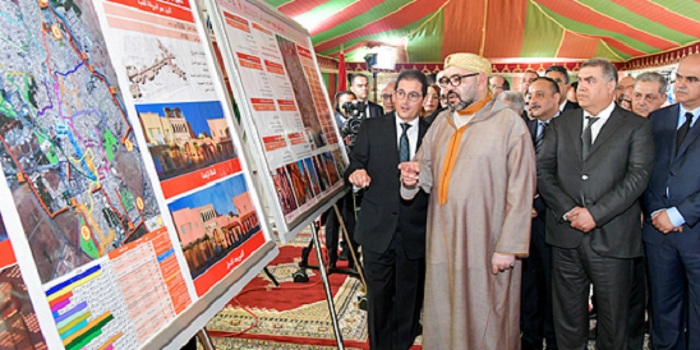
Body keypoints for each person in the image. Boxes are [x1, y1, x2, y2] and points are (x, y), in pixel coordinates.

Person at [400, 52, 536, 349]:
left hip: (487, 243)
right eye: (445, 80)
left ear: (482, 80)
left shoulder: (509, 125)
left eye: (457, 79)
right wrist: (412, 176)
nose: (449, 87)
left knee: (486, 316)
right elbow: (425, 169)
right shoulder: (441, 123)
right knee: (443, 310)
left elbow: (521, 189)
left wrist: (508, 246)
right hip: (442, 239)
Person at [537, 58, 654, 349]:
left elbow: (637, 178)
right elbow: (542, 171)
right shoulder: (561, 124)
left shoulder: (635, 126)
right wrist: (568, 211)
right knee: (567, 318)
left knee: (614, 321)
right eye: (580, 80)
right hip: (566, 236)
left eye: (591, 80)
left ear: (612, 86)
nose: (582, 86)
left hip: (612, 237)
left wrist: (595, 215)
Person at [346, 69, 431, 349]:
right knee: (379, 300)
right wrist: (357, 173)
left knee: (409, 302)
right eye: (401, 94)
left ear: (424, 99)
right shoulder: (373, 128)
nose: (406, 101)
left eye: (414, 95)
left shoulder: (433, 134)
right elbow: (355, 162)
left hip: (415, 233)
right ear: (393, 96)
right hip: (377, 230)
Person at [642, 53, 700, 349]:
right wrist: (657, 212)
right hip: (658, 233)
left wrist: (679, 215)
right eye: (678, 77)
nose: (681, 85)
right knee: (663, 312)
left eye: (692, 80)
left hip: (695, 234)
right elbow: (644, 171)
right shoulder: (658, 119)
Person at [521, 77, 561, 350]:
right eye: (529, 95)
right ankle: (530, 339)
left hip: (556, 221)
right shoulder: (523, 127)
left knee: (555, 288)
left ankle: (555, 339)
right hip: (524, 221)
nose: (532, 101)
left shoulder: (571, 126)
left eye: (539, 95)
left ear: (557, 97)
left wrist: (542, 201)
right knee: (527, 285)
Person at [326, 90, 358, 268]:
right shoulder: (330, 124)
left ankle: (353, 257)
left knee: (351, 219)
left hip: (352, 179)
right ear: (337, 105)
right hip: (333, 179)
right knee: (332, 220)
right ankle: (331, 258)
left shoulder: (359, 123)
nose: (349, 107)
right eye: (345, 104)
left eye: (352, 104)